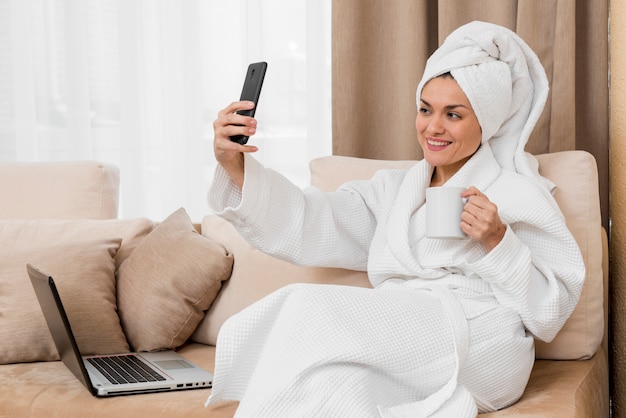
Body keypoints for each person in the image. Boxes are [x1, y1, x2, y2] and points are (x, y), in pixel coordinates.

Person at [205, 21, 585, 417]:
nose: (433, 127)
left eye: (453, 115)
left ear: (485, 122)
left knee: (304, 305)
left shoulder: (517, 193)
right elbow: (311, 221)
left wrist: (498, 241)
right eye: (425, 109)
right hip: (410, 343)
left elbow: (551, 312)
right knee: (330, 388)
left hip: (482, 341)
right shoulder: (394, 191)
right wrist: (234, 166)